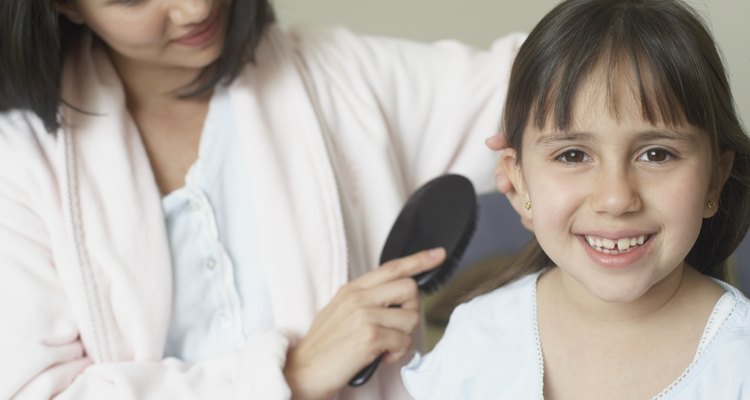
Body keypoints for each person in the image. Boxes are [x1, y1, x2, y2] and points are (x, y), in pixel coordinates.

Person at [0, 0, 525, 399]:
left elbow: (542, 83)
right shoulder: (20, 162)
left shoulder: (339, 75)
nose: (196, 8)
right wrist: (289, 375)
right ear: (65, 7)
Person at [402, 0, 750, 398]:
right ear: (519, 182)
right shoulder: (474, 338)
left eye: (656, 154)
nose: (616, 198)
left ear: (714, 180)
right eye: (572, 155)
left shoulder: (739, 365)